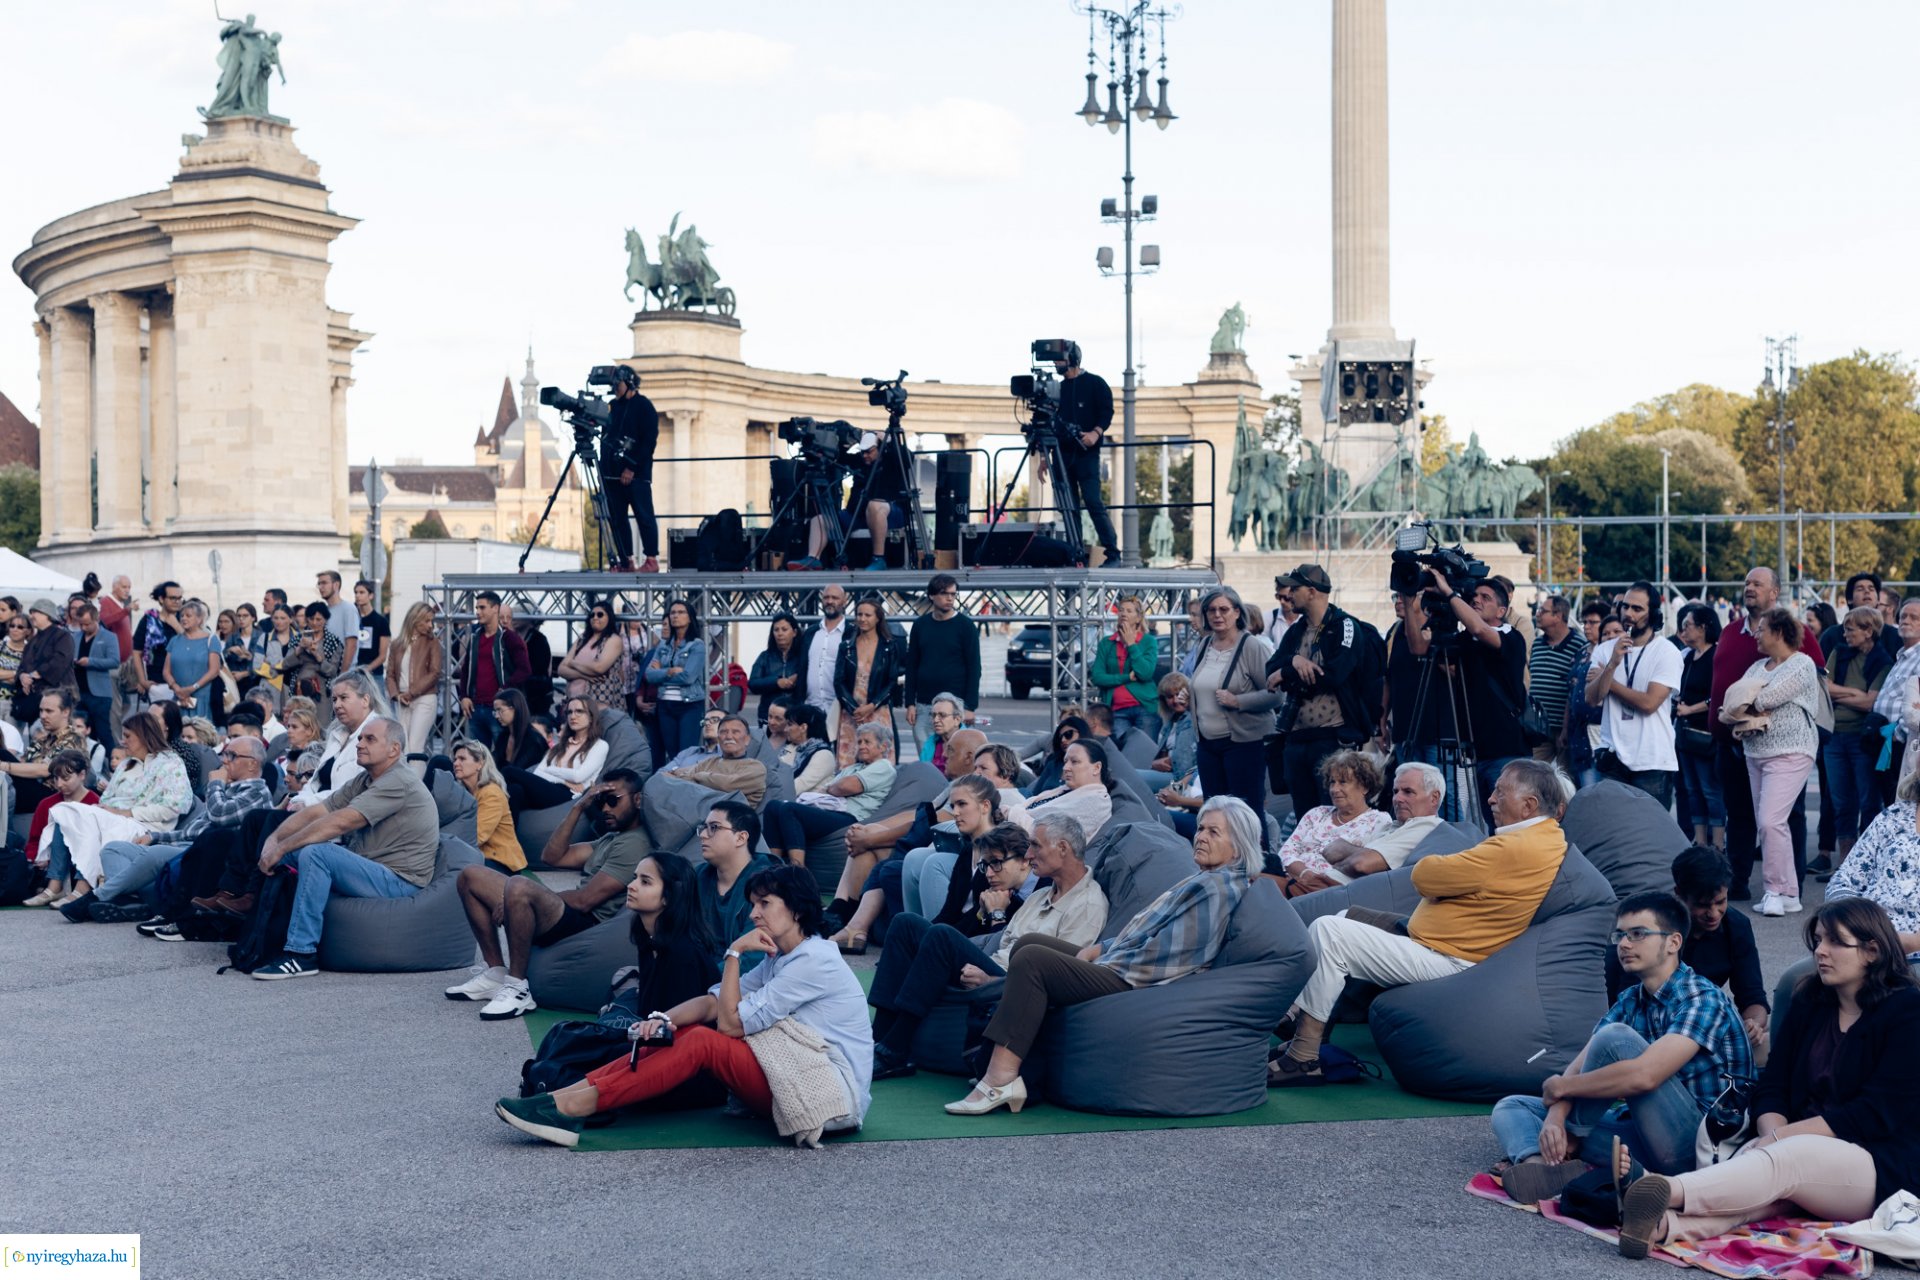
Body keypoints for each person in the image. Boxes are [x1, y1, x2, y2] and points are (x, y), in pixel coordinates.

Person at [1609, 898, 1920, 1260]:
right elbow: (1773, 1084)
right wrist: (1771, 1132)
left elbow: (1874, 1113)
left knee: (1785, 1162)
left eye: (1835, 942)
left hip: (1880, 1164)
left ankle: (1660, 1188)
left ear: (1872, 951)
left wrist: (1781, 1139)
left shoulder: (1907, 1012)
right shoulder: (1810, 1002)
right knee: (1764, 1191)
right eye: (1818, 940)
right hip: (1797, 1147)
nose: (1821, 951)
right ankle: (1662, 1226)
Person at [495, 863, 873, 1147]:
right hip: (793, 1074)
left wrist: (734, 952)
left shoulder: (815, 960)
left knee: (702, 1041)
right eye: (754, 904)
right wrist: (661, 1020)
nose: (754, 913)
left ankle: (574, 1108)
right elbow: (712, 1003)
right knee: (686, 1033)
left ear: (798, 909)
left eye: (765, 904)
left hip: (830, 1096)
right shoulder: (784, 956)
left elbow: (730, 1025)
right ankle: (562, 1098)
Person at [944, 795, 1261, 1115]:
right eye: (1201, 828)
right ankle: (997, 1057)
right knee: (1030, 944)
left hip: (1131, 978)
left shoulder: (1217, 887)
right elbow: (1147, 935)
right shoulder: (1204, 879)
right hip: (1121, 961)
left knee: (1031, 960)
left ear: (1237, 845)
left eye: (1213, 832)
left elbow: (1174, 954)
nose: (1201, 836)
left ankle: (1001, 1078)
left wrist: (1106, 961)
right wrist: (1102, 948)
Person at [1273, 759, 1568, 1085]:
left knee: (1329, 932)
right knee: (1347, 917)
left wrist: (1437, 879)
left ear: (1529, 805)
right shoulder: (1543, 838)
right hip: (1440, 941)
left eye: (1500, 792)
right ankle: (1312, 1034)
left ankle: (1303, 1056)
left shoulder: (1511, 846)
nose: (1490, 799)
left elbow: (1425, 876)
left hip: (1450, 958)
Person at [1490, 891, 1756, 1203]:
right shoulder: (1632, 998)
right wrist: (1555, 1118)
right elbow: (1580, 1065)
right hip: (1645, 1136)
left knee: (1614, 1038)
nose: (1624, 944)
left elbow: (1645, 1076)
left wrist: (1562, 1092)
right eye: (1620, 935)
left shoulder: (1701, 998)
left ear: (1673, 942)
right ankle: (1543, 1166)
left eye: (1638, 934)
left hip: (1698, 1148)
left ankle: (1569, 1147)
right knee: (1514, 1107)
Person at [867, 813, 1110, 1080]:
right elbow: (1000, 941)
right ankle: (877, 1040)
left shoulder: (1087, 904)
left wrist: (991, 980)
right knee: (905, 924)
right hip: (997, 964)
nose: (1029, 854)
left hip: (1012, 980)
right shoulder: (1040, 894)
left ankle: (894, 1050)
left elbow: (1061, 975)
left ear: (1063, 848)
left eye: (1035, 846)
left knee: (942, 936)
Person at [447, 769, 650, 1019]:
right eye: (600, 801)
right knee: (471, 876)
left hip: (589, 924)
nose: (606, 808)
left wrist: (517, 897)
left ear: (637, 800)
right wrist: (579, 807)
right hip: (572, 914)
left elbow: (586, 901)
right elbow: (553, 856)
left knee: (519, 886)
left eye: (613, 800)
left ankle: (518, 987)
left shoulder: (634, 844)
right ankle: (496, 972)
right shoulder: (612, 839)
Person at [250, 716, 441, 980]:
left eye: (370, 739)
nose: (360, 744)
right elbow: (317, 811)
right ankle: (256, 936)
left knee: (316, 853)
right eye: (360, 738)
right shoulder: (365, 779)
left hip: (400, 880)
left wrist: (282, 848)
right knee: (282, 850)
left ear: (394, 750)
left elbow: (340, 822)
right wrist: (273, 841)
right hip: (373, 868)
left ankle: (301, 953)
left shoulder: (398, 781)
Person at [74, 735, 274, 924]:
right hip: (186, 844)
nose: (224, 760)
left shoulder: (256, 792)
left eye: (232, 755)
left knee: (155, 854)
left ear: (252, 764)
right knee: (113, 849)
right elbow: (190, 831)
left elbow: (218, 816)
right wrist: (155, 835)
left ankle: (95, 897)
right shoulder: (228, 788)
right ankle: (135, 902)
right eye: (224, 754)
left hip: (202, 854)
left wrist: (215, 784)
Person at [1711, 567, 1824, 900]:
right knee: (1740, 814)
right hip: (1734, 741)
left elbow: (1812, 677)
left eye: (1757, 584)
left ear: (1775, 592)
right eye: (1746, 582)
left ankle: (1790, 888)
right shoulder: (1731, 631)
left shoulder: (1798, 635)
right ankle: (1739, 882)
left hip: (1785, 745)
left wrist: (1750, 705)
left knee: (1784, 817)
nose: (1749, 588)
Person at [1606, 846, 1770, 1055]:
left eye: (1721, 902)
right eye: (1702, 905)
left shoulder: (1736, 927)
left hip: (1693, 1023)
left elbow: (1753, 996)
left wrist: (1753, 1023)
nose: (1713, 913)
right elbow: (1630, 1006)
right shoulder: (1651, 931)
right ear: (1679, 895)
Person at [36, 710, 192, 907]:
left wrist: (127, 812)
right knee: (68, 812)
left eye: (128, 736)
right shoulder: (126, 765)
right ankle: (54, 885)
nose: (122, 741)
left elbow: (176, 806)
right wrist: (105, 809)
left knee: (86, 818)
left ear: (144, 736)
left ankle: (82, 889)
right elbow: (108, 798)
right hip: (115, 820)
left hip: (147, 827)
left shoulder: (170, 763)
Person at [1409, 572, 1531, 823]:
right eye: (1474, 596)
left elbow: (1478, 627)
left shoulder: (1511, 636)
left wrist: (1449, 593)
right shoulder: (1467, 640)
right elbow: (1419, 648)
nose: (1477, 600)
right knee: (1490, 822)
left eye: (1485, 598)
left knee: (1512, 821)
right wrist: (1408, 599)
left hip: (1506, 750)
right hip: (1477, 750)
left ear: (1501, 611)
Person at [1267, 566, 1373, 820]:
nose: (1288, 594)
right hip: (1295, 737)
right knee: (1306, 817)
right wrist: (1294, 662)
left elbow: (1333, 676)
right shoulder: (1296, 630)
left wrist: (1288, 673)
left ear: (1312, 592)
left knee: (1334, 814)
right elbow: (1271, 670)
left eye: (1294, 589)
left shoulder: (1344, 626)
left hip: (1332, 738)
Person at [1584, 581, 1683, 808]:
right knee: (1613, 831)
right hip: (1612, 758)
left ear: (1653, 614)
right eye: (1625, 607)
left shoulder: (1667, 652)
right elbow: (1591, 699)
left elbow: (1649, 703)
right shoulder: (1605, 650)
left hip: (1652, 759)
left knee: (1651, 835)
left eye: (1637, 609)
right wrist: (1612, 664)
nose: (1628, 613)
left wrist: (1611, 685)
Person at [1186, 585, 1274, 833]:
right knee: (1214, 814)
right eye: (1211, 610)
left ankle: (1259, 866)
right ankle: (1221, 867)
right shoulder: (1204, 645)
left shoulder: (1251, 646)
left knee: (1247, 815)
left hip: (1243, 743)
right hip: (1208, 744)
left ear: (1237, 612)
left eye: (1224, 609)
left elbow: (1277, 694)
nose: (1217, 615)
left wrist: (1239, 702)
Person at [1290, 760, 1448, 894]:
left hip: (1332, 890)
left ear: (1434, 798)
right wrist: (1359, 856)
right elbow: (1333, 853)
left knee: (1267, 891)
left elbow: (1361, 864)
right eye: (1395, 791)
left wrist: (1353, 854)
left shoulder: (1424, 827)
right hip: (1316, 882)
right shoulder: (1394, 825)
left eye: (1408, 792)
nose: (1397, 798)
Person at [1028, 341, 1117, 564]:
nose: (1057, 364)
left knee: (1093, 501)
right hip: (1061, 454)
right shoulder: (1056, 390)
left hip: (1086, 453)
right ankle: (1076, 551)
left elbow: (1107, 412)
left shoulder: (1095, 383)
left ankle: (1112, 551)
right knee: (1068, 505)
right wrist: (1043, 459)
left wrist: (1095, 433)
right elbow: (1049, 423)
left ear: (1073, 358)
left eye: (1060, 359)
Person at [762, 722, 896, 868]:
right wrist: (837, 788)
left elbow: (844, 786)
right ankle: (773, 866)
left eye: (867, 742)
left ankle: (797, 870)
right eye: (859, 742)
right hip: (831, 809)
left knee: (790, 810)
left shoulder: (883, 766)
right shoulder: (855, 767)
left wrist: (836, 788)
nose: (862, 746)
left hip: (850, 816)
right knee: (773, 807)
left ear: (883, 747)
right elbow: (832, 788)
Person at [1821, 606, 1890, 880]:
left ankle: (1868, 865)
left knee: (1868, 802)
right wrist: (1854, 692)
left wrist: (1845, 695)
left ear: (1868, 631)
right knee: (1841, 802)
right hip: (1834, 735)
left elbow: (1871, 702)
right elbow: (1823, 686)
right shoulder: (1840, 652)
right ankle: (1845, 865)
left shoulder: (1883, 661)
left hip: (1862, 739)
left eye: (1851, 629)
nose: (1845, 633)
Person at [1823, 772, 1920, 960]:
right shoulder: (1894, 816)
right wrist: (1854, 925)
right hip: (1863, 944)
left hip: (1912, 954)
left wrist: (1910, 942)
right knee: (1792, 981)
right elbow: (1843, 881)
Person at [1270, 750, 1394, 890]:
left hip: (1331, 889)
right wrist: (1305, 873)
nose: (1334, 789)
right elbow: (1286, 852)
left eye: (1343, 782)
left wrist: (1314, 881)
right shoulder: (1317, 813)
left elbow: (1367, 864)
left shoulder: (1379, 821)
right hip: (1294, 880)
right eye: (1332, 782)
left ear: (1364, 786)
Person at [692, 800, 781, 972]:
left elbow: (754, 956)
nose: (703, 834)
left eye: (714, 827)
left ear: (741, 838)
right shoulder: (697, 877)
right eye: (704, 827)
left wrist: (699, 979)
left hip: (743, 983)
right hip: (696, 974)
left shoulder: (769, 885)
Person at [289, 669, 391, 809]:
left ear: (365, 700)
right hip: (318, 809)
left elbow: (350, 792)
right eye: (334, 700)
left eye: (344, 698)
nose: (337, 705)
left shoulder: (377, 736)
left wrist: (306, 803)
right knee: (257, 818)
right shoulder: (336, 734)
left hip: (342, 814)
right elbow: (313, 783)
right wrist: (299, 800)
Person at [903, 575, 980, 750]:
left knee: (954, 757)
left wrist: (970, 706)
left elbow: (974, 667)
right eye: (944, 593)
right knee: (926, 759)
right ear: (931, 595)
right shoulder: (920, 625)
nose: (950, 598)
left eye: (953, 594)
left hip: (956, 705)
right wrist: (909, 703)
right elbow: (912, 666)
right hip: (924, 705)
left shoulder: (966, 626)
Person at [501, 695, 609, 820]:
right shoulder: (561, 744)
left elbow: (578, 776)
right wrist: (564, 781)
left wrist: (551, 770)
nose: (573, 716)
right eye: (569, 712)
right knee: (515, 790)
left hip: (570, 795)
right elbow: (538, 772)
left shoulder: (600, 745)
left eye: (579, 711)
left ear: (591, 717)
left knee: (508, 771)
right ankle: (509, 837)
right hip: (548, 788)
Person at [598, 365, 661, 573]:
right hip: (612, 475)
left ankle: (651, 559)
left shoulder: (644, 406)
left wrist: (632, 467)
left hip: (636, 476)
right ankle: (627, 561)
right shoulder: (612, 407)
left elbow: (648, 441)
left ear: (630, 383)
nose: (615, 388)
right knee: (617, 519)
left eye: (619, 384)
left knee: (644, 515)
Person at [1673, 603, 1725, 849]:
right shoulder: (1688, 656)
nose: (1683, 631)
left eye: (1688, 625)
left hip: (1705, 734)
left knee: (1710, 789)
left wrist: (1690, 709)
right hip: (1685, 734)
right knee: (1692, 789)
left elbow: (1719, 695)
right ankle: (1700, 840)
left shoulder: (1716, 656)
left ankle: (1717, 842)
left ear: (1703, 627)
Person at [457, 591, 531, 746]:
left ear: (495, 608)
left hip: (500, 709)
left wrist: (504, 690)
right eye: (477, 608)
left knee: (501, 756)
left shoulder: (509, 637)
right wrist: (464, 696)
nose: (478, 612)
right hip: (476, 707)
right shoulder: (476, 637)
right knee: (475, 757)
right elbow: (466, 669)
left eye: (482, 607)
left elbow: (524, 670)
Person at [833, 596, 900, 766]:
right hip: (851, 712)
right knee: (848, 759)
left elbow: (892, 681)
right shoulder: (847, 646)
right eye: (859, 614)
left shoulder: (889, 646)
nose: (862, 619)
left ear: (878, 618)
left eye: (867, 615)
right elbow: (838, 681)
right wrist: (854, 709)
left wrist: (872, 705)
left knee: (880, 758)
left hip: (877, 710)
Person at [0, 689, 91, 814]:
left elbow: (46, 769)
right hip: (33, 791)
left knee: (3, 755)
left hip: (54, 795)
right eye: (41, 710)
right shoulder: (43, 740)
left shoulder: (73, 738)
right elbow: (22, 763)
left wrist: (4, 765)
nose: (42, 716)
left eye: (49, 711)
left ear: (65, 712)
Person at [1009, 739, 1115, 846]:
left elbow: (1047, 836)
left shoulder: (1096, 802)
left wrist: (1012, 813)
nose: (1065, 767)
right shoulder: (1065, 790)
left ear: (1096, 768)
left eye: (1074, 762)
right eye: (1065, 761)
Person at [643, 599, 705, 761]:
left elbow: (688, 677)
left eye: (681, 612)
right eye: (673, 612)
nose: (675, 616)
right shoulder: (663, 645)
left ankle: (687, 786)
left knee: (687, 754)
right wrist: (670, 671)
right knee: (672, 755)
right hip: (665, 704)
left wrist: (661, 674)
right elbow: (649, 675)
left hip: (689, 705)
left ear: (690, 618)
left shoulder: (696, 645)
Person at [1529, 595, 1588, 764]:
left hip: (1564, 728)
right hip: (1538, 728)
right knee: (1534, 775)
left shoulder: (1579, 645)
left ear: (1559, 616)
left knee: (1565, 778)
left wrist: (1565, 727)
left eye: (1543, 611)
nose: (1537, 614)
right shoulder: (1537, 644)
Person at [1092, 596, 1161, 738]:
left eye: (1129, 611)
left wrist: (1131, 644)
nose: (1123, 614)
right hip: (1117, 710)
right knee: (1123, 754)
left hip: (1145, 708)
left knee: (1145, 754)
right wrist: (1126, 677)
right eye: (1121, 610)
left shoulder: (1149, 641)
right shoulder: (1106, 643)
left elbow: (1145, 673)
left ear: (1138, 618)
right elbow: (1097, 677)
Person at [666, 713, 768, 809]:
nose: (728, 736)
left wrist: (700, 776)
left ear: (747, 739)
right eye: (723, 732)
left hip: (732, 821)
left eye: (735, 732)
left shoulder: (755, 767)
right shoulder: (710, 761)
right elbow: (683, 781)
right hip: (696, 813)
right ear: (719, 738)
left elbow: (727, 784)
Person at [450, 740, 521, 874]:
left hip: (501, 864)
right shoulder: (464, 793)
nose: (455, 763)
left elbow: (478, 835)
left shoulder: (491, 793)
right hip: (478, 857)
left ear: (480, 763)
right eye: (455, 759)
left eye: (462, 759)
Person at [385, 602, 441, 768]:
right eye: (427, 621)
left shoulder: (432, 642)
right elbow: (389, 674)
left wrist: (412, 693)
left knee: (416, 746)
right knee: (403, 747)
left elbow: (435, 672)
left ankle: (415, 790)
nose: (430, 625)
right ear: (415, 619)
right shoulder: (397, 644)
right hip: (402, 700)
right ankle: (404, 786)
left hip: (425, 698)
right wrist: (396, 695)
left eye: (431, 621)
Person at [1873, 598, 1920, 792]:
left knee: (1901, 801)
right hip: (1887, 742)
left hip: (1904, 744)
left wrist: (1897, 734)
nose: (1905, 620)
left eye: (1914, 617)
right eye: (1903, 616)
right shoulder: (1903, 654)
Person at [556, 598, 626, 711]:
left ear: (609, 618)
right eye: (592, 615)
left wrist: (573, 663)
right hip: (574, 701)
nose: (595, 618)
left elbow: (599, 668)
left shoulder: (613, 639)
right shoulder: (582, 639)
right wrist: (585, 675)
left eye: (600, 615)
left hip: (601, 702)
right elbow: (561, 669)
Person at [69, 602, 122, 751]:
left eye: (87, 624)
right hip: (79, 691)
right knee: (80, 731)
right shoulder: (76, 636)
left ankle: (112, 764)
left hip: (99, 693)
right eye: (81, 624)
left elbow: (115, 661)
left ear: (96, 620)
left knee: (103, 732)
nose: (83, 628)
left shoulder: (109, 637)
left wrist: (91, 662)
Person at [802, 584, 851, 743]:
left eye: (835, 598)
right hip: (811, 708)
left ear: (844, 601)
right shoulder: (811, 632)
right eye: (826, 597)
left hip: (840, 709)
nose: (830, 601)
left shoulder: (851, 633)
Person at [162, 599, 220, 721]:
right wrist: (177, 689)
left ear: (199, 619)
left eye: (188, 615)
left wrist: (192, 688)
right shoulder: (174, 640)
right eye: (182, 615)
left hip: (203, 698)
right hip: (179, 697)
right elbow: (166, 671)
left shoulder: (211, 640)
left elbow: (214, 670)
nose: (183, 618)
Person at [280, 601, 347, 705]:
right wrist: (299, 650)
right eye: (311, 619)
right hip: (299, 690)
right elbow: (285, 665)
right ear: (307, 619)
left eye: (319, 619)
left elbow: (333, 672)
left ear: (326, 620)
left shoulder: (334, 642)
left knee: (321, 721)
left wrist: (317, 655)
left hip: (323, 692)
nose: (315, 623)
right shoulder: (297, 640)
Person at [16, 598, 77, 712]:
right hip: (35, 699)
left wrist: (37, 673)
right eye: (31, 612)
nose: (32, 616)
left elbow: (60, 661)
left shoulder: (63, 636)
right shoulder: (32, 641)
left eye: (36, 612)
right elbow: (23, 665)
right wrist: (22, 676)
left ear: (47, 615)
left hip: (59, 696)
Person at [747, 611, 806, 727]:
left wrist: (799, 677)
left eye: (784, 629)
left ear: (794, 632)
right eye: (776, 630)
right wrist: (776, 682)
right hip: (769, 716)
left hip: (795, 716)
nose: (780, 633)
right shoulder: (765, 657)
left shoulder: (803, 657)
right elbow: (752, 683)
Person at [487, 687, 545, 772]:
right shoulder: (503, 737)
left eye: (500, 710)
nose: (496, 716)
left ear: (514, 708)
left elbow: (521, 771)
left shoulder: (533, 740)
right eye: (495, 711)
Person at [314, 570, 359, 668]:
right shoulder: (323, 611)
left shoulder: (348, 609)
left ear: (336, 585)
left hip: (343, 672)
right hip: (325, 670)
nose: (321, 587)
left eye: (324, 583)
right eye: (319, 584)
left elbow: (351, 644)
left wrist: (343, 673)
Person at [913, 692, 964, 771]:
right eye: (933, 715)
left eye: (942, 715)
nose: (935, 720)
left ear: (957, 720)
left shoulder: (970, 742)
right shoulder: (930, 743)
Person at [349, 579, 389, 678]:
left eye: (362, 592)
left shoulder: (381, 621)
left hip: (374, 674)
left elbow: (383, 656)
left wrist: (367, 669)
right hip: (353, 674)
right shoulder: (352, 619)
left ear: (371, 595)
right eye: (356, 592)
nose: (357, 595)